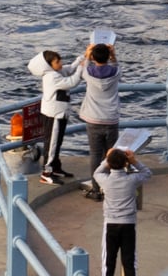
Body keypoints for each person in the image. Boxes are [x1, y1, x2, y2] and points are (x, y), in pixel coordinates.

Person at [95, 143, 152, 276]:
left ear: (109, 163)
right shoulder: (132, 180)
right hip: (128, 225)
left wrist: (108, 158)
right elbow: (147, 173)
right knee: (129, 262)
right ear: (125, 163)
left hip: (110, 224)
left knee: (108, 262)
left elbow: (97, 172)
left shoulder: (105, 180)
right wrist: (134, 161)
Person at [77, 28, 121, 198]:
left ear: (94, 57)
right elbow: (116, 65)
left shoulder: (88, 73)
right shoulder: (115, 72)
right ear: (108, 57)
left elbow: (84, 68)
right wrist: (113, 55)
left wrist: (87, 54)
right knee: (111, 154)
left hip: (93, 119)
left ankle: (96, 189)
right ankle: (112, 187)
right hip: (111, 119)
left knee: (95, 155)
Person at [28, 49, 79, 183]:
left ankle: (55, 167)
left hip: (60, 113)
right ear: (49, 65)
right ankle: (47, 172)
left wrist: (82, 59)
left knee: (57, 142)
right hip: (54, 115)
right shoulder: (52, 77)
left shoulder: (56, 72)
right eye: (57, 61)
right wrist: (82, 70)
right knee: (52, 143)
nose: (60, 63)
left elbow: (70, 69)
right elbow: (71, 82)